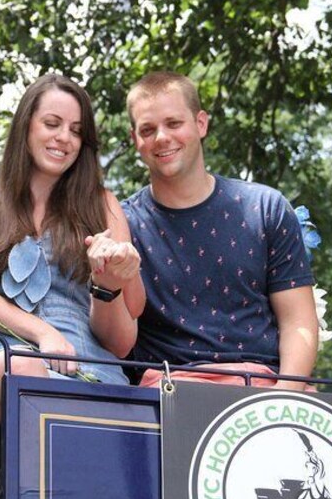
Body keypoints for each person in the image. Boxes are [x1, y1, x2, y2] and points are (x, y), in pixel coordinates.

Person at [0, 73, 145, 424]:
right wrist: (42, 333)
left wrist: (107, 284)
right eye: (52, 123)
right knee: (24, 366)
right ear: (26, 127)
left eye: (76, 130)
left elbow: (122, 344)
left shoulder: (104, 207)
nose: (64, 138)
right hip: (4, 357)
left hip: (91, 369)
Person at [120, 71, 319, 391]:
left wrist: (285, 397)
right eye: (148, 129)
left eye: (173, 123)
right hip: (166, 396)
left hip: (263, 388)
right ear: (135, 140)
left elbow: (298, 321)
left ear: (201, 124)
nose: (161, 137)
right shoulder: (123, 224)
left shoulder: (265, 208)